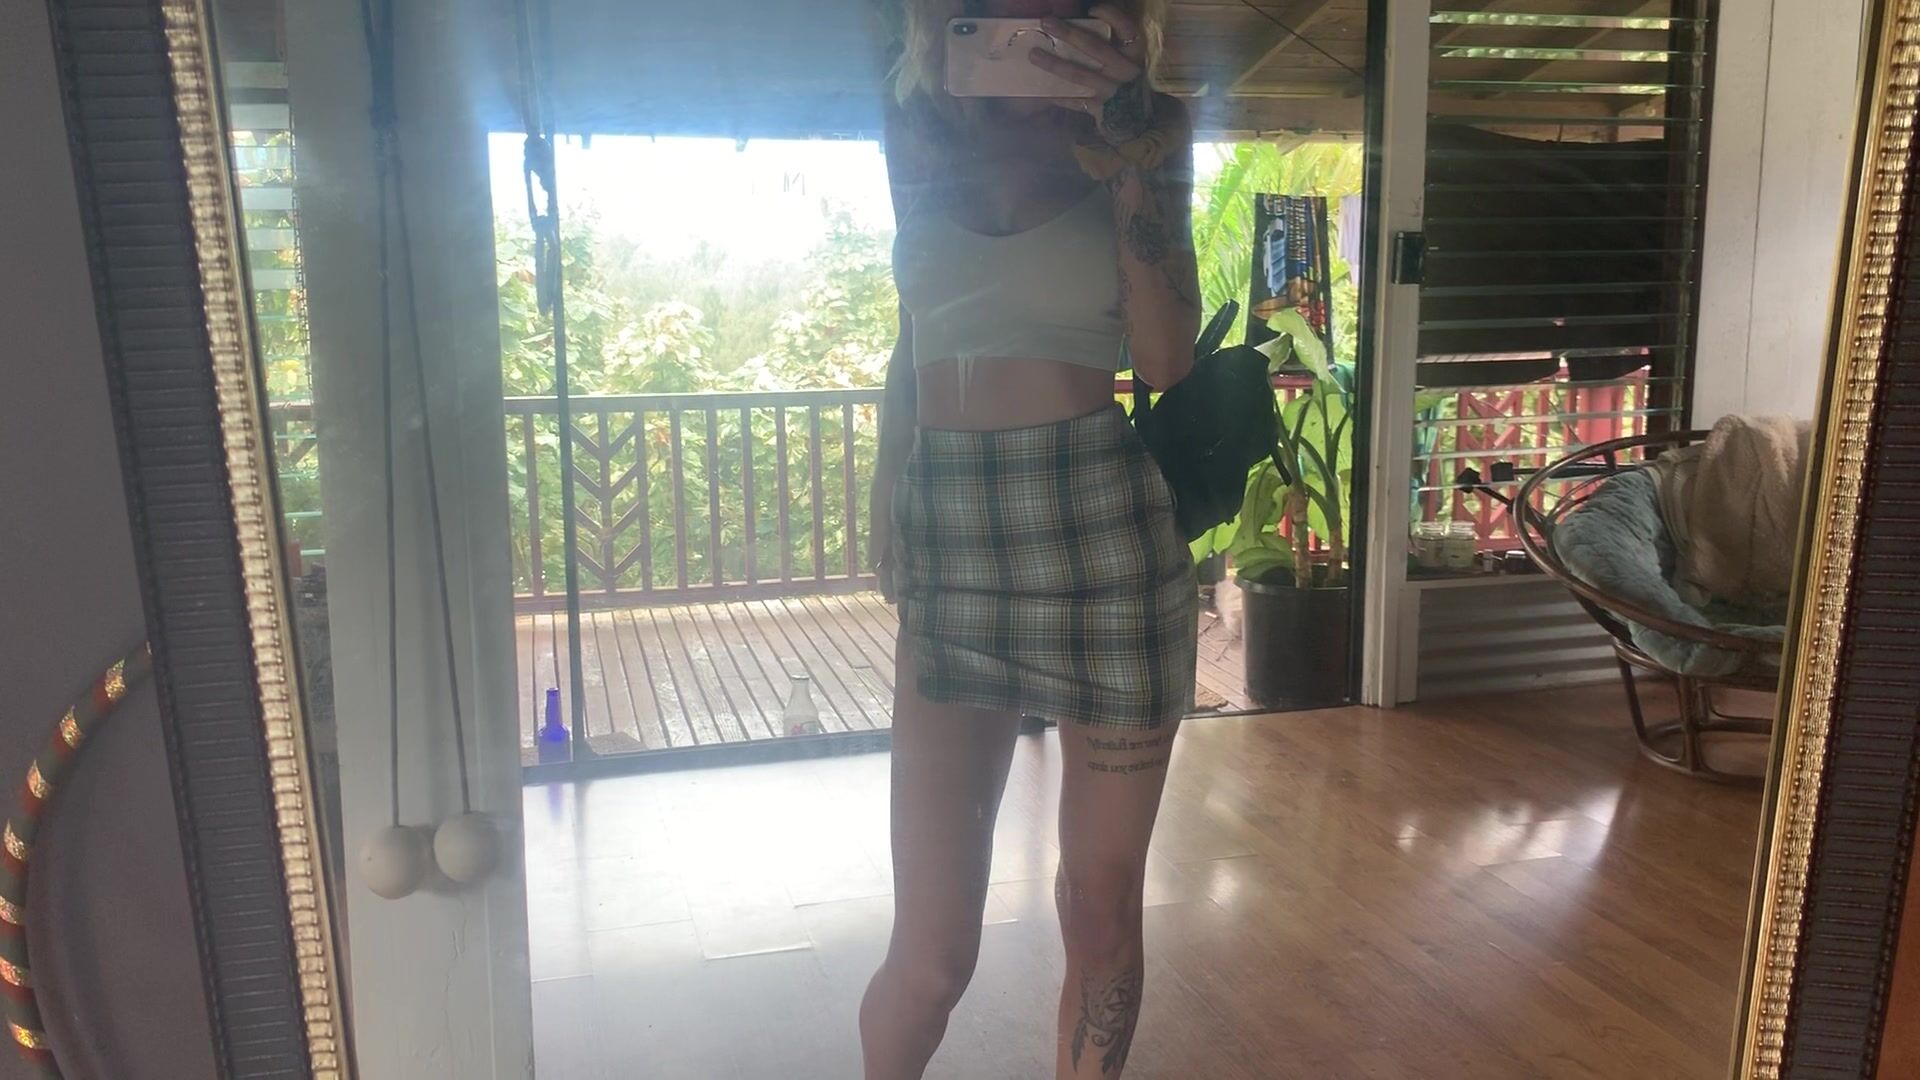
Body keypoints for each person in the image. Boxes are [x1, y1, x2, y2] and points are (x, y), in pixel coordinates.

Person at [859, 2, 1200, 1077]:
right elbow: (915, 333)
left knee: (1098, 913)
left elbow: (1165, 360)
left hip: (1105, 551)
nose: (1039, 20)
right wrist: (888, 484)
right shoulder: (921, 132)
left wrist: (1127, 145)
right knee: (929, 957)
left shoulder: (1143, 134)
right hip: (953, 549)